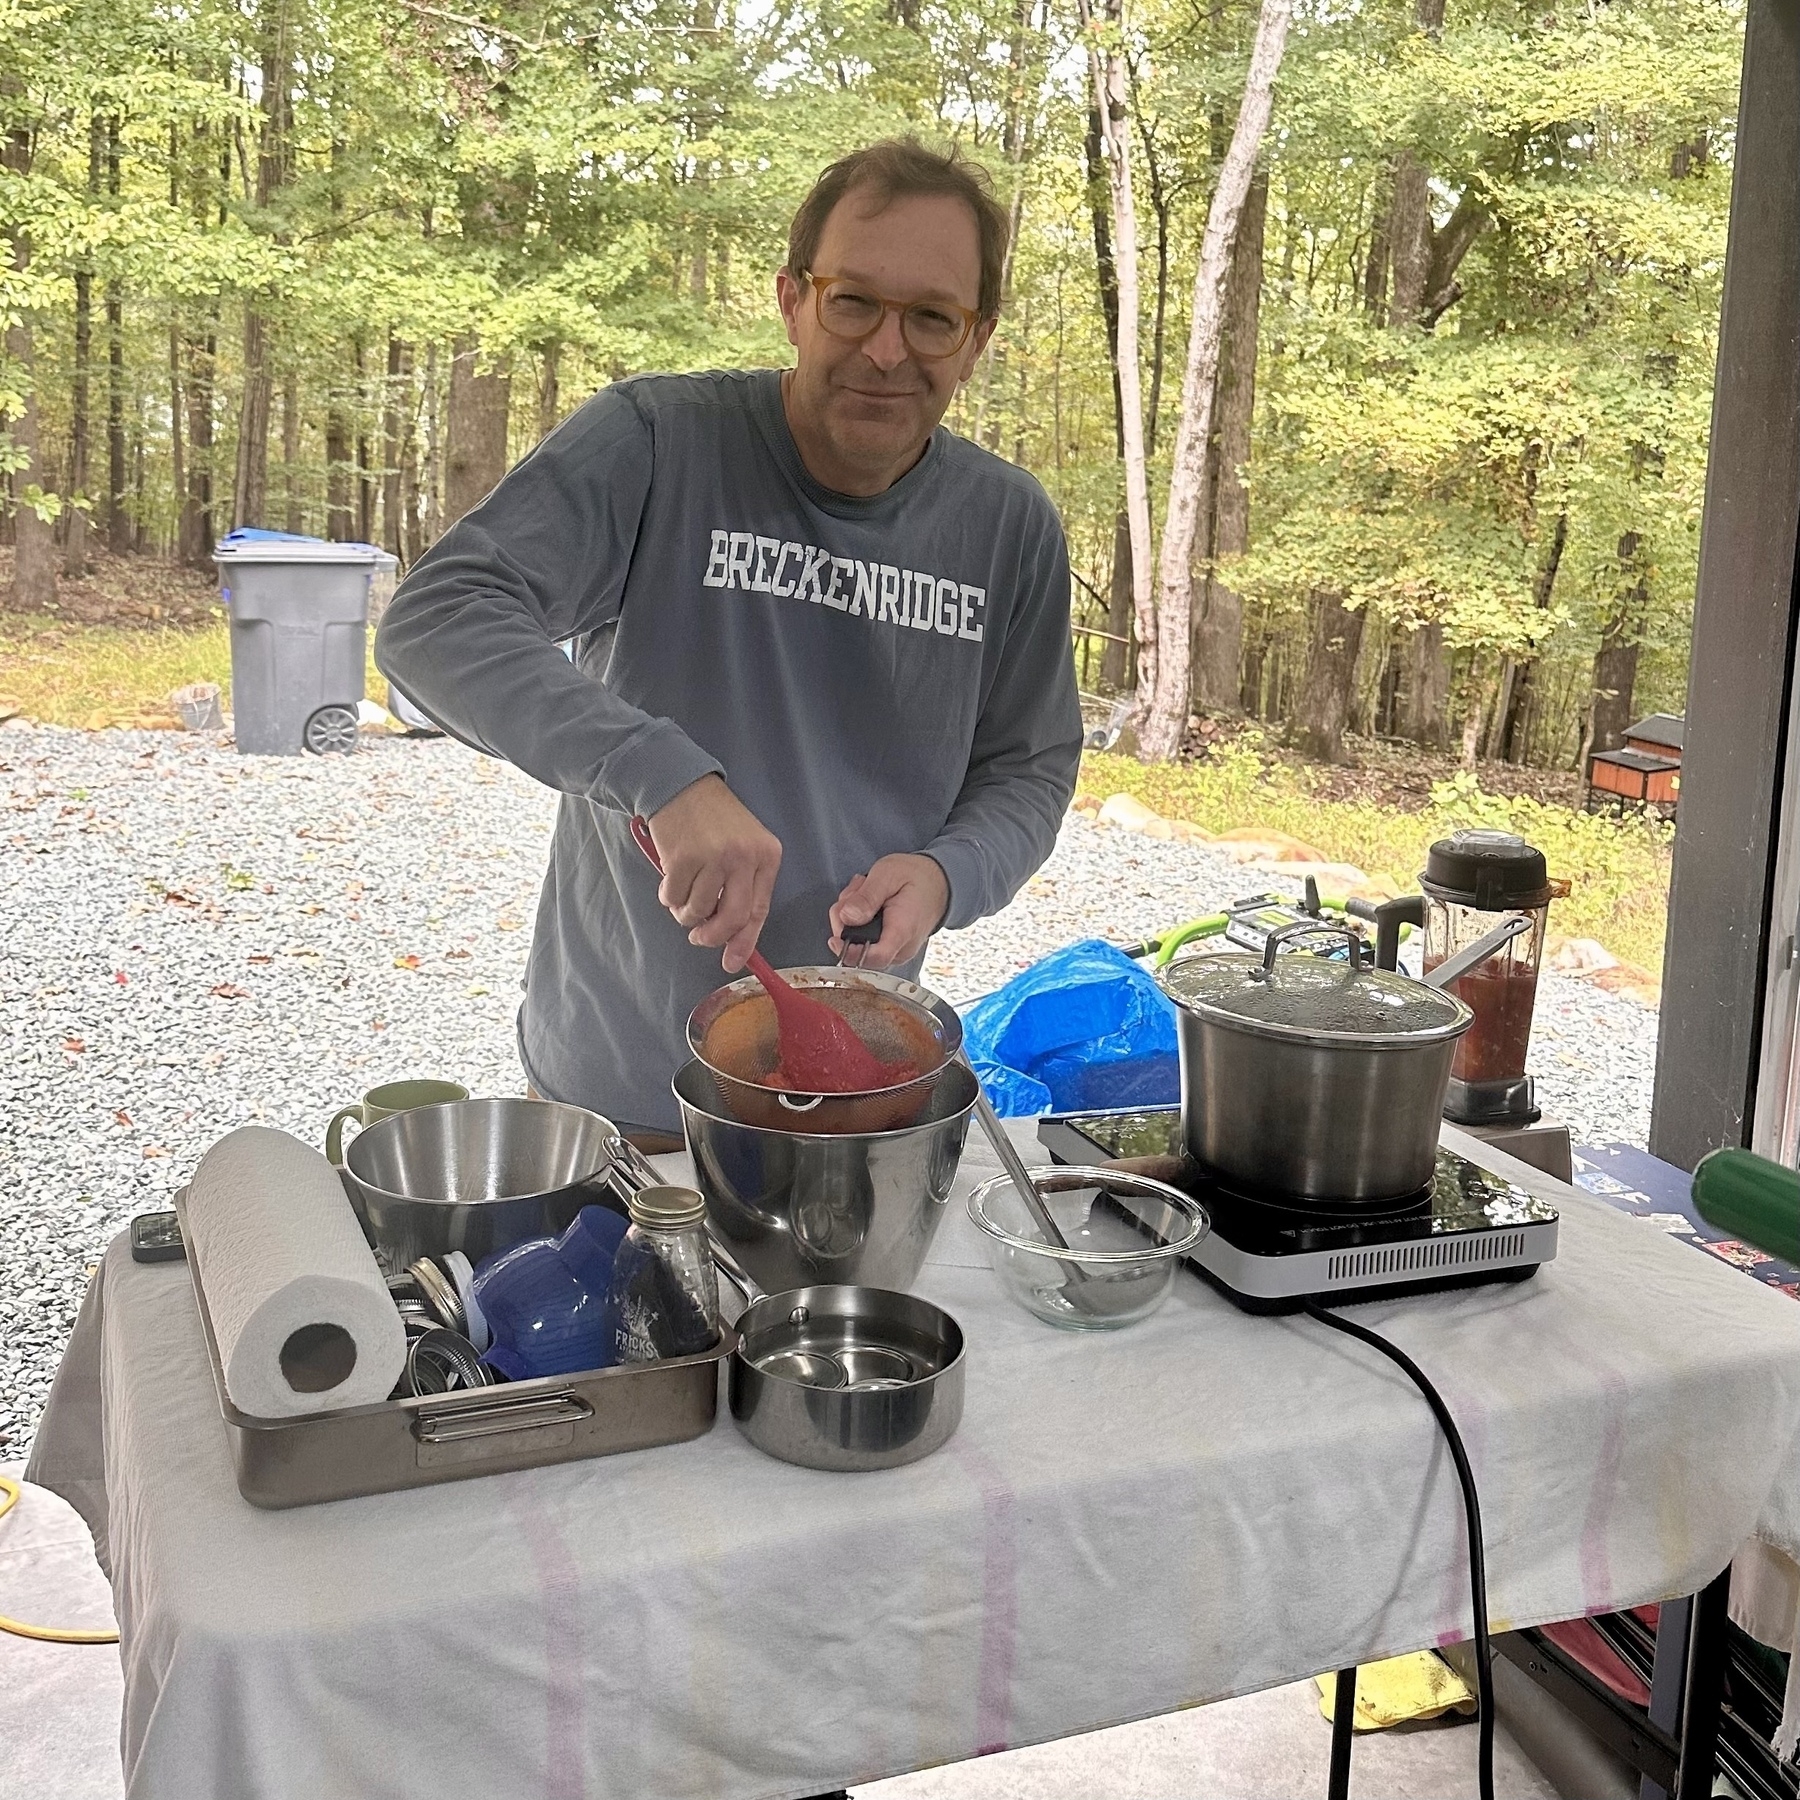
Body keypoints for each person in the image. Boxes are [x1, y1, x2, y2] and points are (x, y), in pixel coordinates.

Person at [376, 136, 1083, 1135]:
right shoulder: (659, 443)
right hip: (622, 1090)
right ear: (794, 299)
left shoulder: (1007, 525)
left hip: (851, 1096)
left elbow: (1031, 765)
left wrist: (947, 873)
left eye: (931, 317)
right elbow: (437, 619)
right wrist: (657, 771)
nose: (889, 350)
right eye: (854, 301)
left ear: (976, 337)